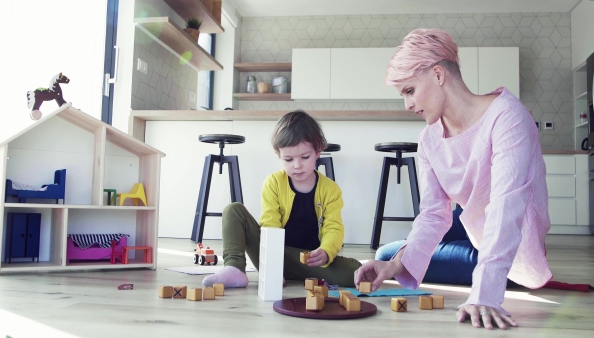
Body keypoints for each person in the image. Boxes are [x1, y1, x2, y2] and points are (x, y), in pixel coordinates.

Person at [354, 28, 552, 330]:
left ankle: (494, 276)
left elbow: (505, 208)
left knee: (410, 254)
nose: (407, 105)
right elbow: (433, 215)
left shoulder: (508, 118)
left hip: (514, 243)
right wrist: (394, 265)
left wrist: (484, 295)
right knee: (386, 255)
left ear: (437, 75)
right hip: (473, 225)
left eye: (409, 91)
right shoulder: (429, 139)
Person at [202, 109, 361, 289]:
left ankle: (290, 272)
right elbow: (270, 224)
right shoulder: (274, 183)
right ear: (278, 155)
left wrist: (326, 251)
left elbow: (334, 227)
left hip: (309, 260)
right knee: (233, 210)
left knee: (356, 271)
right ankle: (234, 268)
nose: (297, 165)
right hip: (274, 255)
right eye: (288, 159)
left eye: (305, 157)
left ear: (318, 151)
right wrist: (272, 267)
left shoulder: (331, 189)